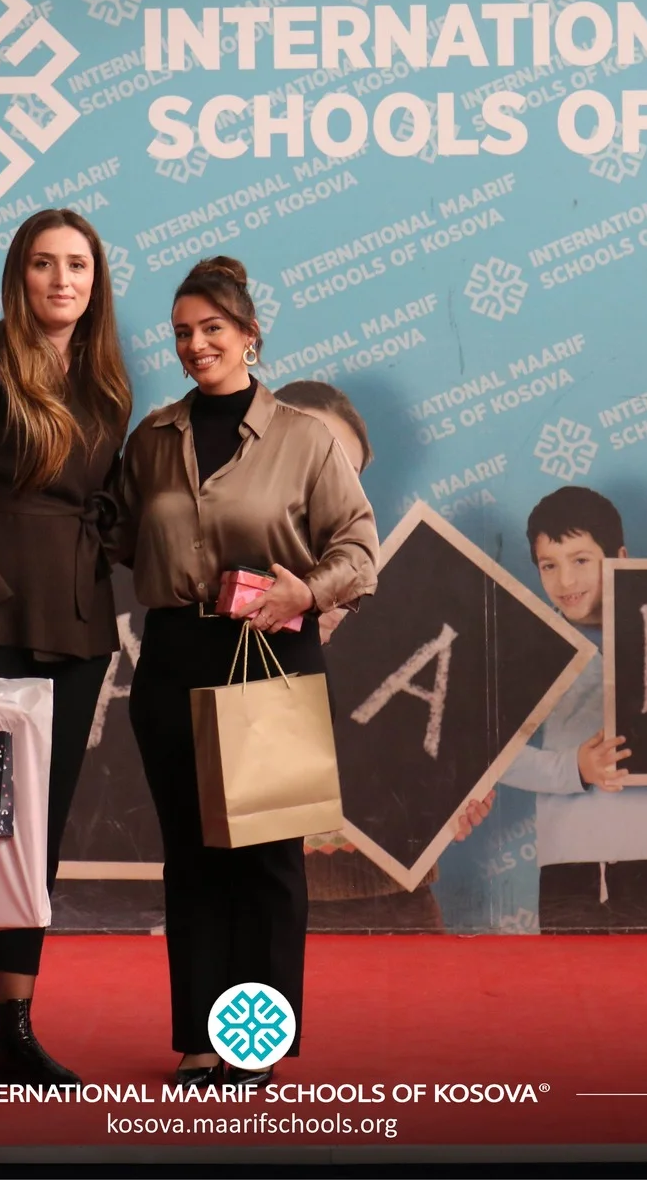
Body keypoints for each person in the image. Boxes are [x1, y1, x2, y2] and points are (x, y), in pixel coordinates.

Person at [110, 258, 378, 1086]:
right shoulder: (152, 439)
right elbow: (115, 537)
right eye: (182, 333)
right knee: (191, 857)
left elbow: (359, 549)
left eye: (213, 329)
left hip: (269, 652)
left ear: (249, 335)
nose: (196, 345)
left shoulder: (304, 437)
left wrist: (308, 590)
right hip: (173, 656)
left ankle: (251, 1043)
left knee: (264, 858)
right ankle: (200, 1039)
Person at [0, 207, 132, 1094]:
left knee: (37, 834)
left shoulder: (106, 382)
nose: (61, 280)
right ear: (19, 275)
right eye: (44, 264)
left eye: (77, 265)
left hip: (78, 627)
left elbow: (108, 507)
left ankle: (15, 1028)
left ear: (96, 279)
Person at [271, 379, 490, 933]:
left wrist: (456, 791)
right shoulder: (198, 579)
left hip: (397, 898)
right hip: (257, 899)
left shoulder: (407, 598)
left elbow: (440, 741)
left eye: (345, 471)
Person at [495, 486, 647, 933]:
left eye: (581, 560)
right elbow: (493, 754)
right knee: (567, 971)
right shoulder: (529, 647)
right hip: (569, 845)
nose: (566, 581)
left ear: (619, 557)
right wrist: (574, 768)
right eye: (549, 565)